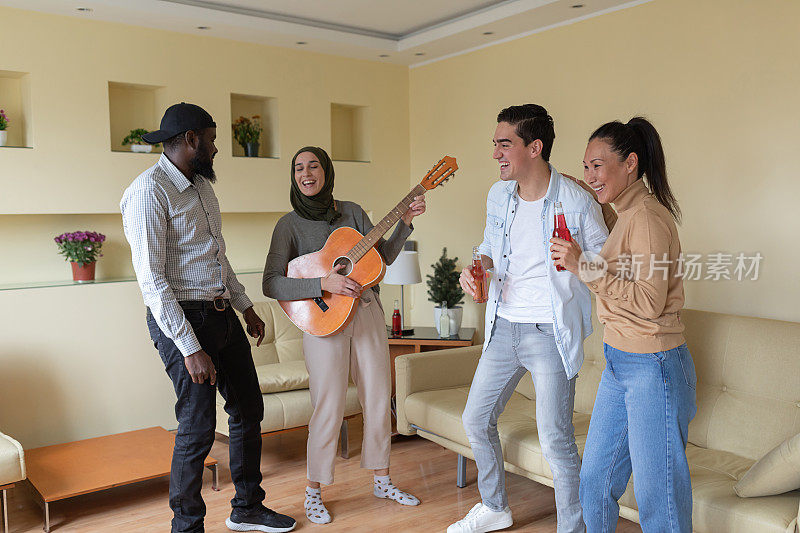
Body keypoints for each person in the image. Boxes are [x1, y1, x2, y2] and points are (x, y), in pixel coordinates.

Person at [121, 103, 296, 533]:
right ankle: (187, 526)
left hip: (220, 312)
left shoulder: (202, 185)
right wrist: (190, 347)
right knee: (198, 427)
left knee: (248, 408)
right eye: (213, 140)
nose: (217, 149)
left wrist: (245, 305)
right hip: (183, 321)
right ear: (192, 140)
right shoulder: (149, 191)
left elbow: (215, 255)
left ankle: (247, 508)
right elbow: (153, 281)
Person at [449, 104, 612, 533]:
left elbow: (608, 264)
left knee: (555, 440)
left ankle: (572, 528)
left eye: (505, 144)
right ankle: (495, 507)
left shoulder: (576, 201)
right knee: (475, 418)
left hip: (549, 333)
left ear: (534, 147)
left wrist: (581, 262)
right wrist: (477, 267)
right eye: (496, 145)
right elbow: (488, 246)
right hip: (503, 325)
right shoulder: (497, 195)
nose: (497, 154)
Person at [262, 146, 425, 525]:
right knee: (329, 405)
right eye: (299, 168)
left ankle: (382, 479)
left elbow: (380, 257)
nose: (306, 173)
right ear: (293, 176)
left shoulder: (351, 212)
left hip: (366, 310)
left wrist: (406, 223)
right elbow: (271, 282)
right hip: (324, 322)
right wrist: (323, 282)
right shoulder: (288, 225)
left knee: (379, 395)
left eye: (313, 165)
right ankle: (313, 490)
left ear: (326, 171)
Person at [550, 117, 697, 532]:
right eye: (585, 167)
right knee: (594, 481)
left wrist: (582, 266)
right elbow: (624, 259)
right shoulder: (627, 215)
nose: (590, 175)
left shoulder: (649, 218)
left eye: (598, 165)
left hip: (654, 367)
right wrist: (589, 203)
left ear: (630, 163)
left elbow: (649, 303)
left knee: (659, 502)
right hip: (621, 363)